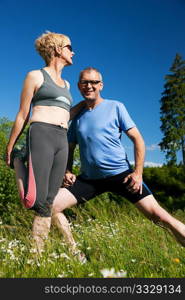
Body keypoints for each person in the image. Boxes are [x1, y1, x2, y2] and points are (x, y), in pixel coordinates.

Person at [52, 67, 185, 255]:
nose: (89, 86)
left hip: (122, 176)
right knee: (50, 205)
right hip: (89, 180)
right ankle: (75, 254)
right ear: (79, 86)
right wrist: (67, 171)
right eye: (84, 82)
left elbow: (138, 140)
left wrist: (138, 173)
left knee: (159, 216)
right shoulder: (77, 117)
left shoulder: (116, 107)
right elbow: (70, 148)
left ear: (101, 85)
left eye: (94, 82)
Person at [6, 31, 85, 256]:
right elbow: (23, 114)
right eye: (69, 46)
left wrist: (84, 105)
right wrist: (11, 145)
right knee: (37, 202)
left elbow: (64, 113)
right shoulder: (35, 76)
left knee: (49, 202)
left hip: (61, 138)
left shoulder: (67, 84)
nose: (73, 51)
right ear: (58, 49)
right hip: (41, 134)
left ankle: (56, 253)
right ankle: (37, 256)